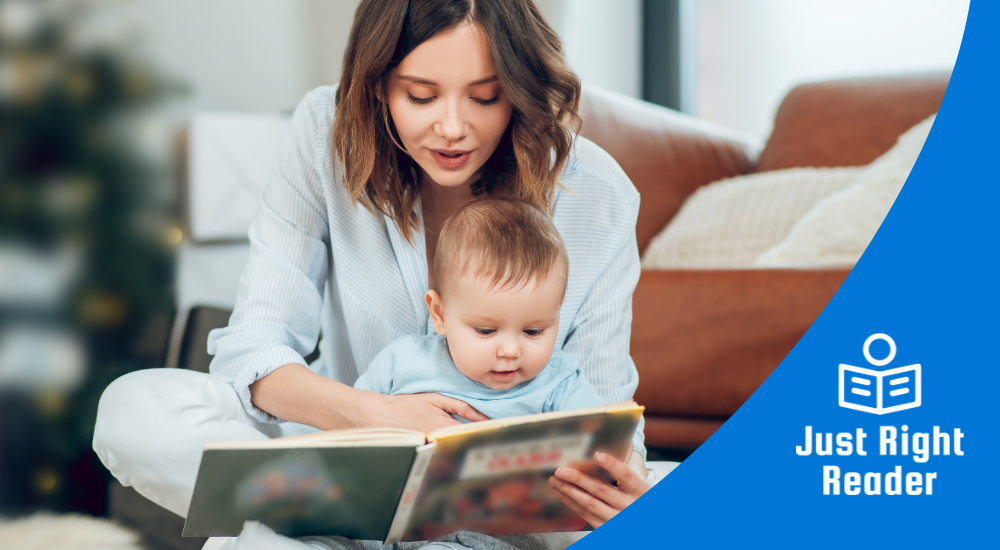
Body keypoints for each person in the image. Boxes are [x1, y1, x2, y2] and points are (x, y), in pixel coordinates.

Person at [93, 0, 650, 546]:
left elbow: (605, 414)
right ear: (378, 84)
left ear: (521, 91)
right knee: (132, 411)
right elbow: (253, 350)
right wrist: (377, 415)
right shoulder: (323, 134)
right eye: (420, 95)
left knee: (682, 498)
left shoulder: (597, 195)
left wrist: (622, 487)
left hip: (506, 514)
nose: (452, 127)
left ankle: (278, 531)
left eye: (486, 97)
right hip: (346, 459)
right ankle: (302, 521)